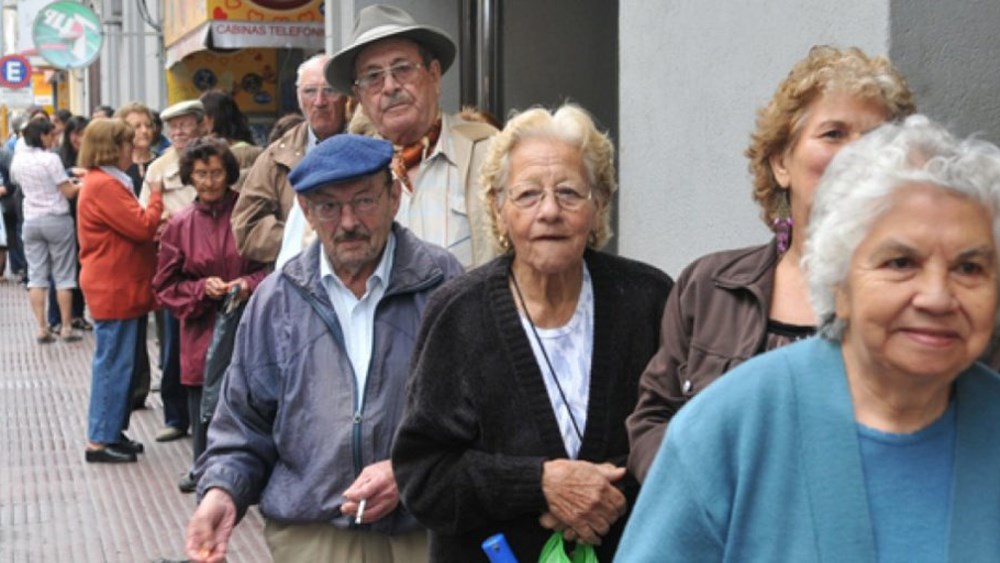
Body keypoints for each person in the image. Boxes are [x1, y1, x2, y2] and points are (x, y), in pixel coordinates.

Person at [616, 114, 1000, 561]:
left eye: (970, 268)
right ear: (839, 281)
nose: (937, 297)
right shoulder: (728, 430)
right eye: (900, 262)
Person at [391, 105, 673, 561]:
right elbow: (424, 476)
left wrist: (599, 494)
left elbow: (683, 444)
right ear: (498, 210)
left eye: (569, 192)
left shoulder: (647, 299)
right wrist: (540, 485)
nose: (549, 212)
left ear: (598, 203)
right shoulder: (458, 314)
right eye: (526, 195)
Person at [626, 45, 917, 481]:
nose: (856, 154)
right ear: (782, 162)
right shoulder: (708, 287)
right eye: (833, 133)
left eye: (875, 139)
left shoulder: (928, 299)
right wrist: (705, 493)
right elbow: (652, 423)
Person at [185, 134, 462, 563]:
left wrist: (409, 471)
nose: (348, 222)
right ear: (306, 212)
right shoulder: (276, 299)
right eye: (329, 206)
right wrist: (222, 491)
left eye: (364, 201)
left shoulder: (444, 283)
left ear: (394, 198)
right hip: (313, 537)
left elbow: (477, 416)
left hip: (421, 531)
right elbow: (243, 424)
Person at [324, 4, 498, 268]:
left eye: (403, 68)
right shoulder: (339, 174)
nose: (390, 86)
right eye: (373, 77)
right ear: (359, 98)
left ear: (434, 76)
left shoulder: (491, 156)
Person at [153, 137, 267, 493]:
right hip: (201, 329)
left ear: (229, 173)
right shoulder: (180, 224)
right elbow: (164, 285)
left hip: (250, 325)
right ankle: (204, 467)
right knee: (204, 404)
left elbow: (272, 265)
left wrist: (248, 283)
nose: (209, 181)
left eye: (216, 172)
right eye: (201, 174)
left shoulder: (247, 214)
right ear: (190, 176)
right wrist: (202, 289)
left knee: (252, 401)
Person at [77, 118, 164, 463]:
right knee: (113, 363)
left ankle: (112, 431)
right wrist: (156, 197)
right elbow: (142, 226)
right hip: (114, 285)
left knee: (120, 362)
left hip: (118, 283)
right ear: (113, 148)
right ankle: (99, 439)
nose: (134, 147)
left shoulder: (106, 181)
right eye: (128, 143)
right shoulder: (104, 185)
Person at [230, 54, 347, 264]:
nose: (320, 101)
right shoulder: (277, 156)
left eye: (330, 90)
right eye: (310, 91)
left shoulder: (370, 145)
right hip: (299, 282)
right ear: (299, 98)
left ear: (347, 95)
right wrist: (305, 241)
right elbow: (246, 227)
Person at [141, 99, 209, 443]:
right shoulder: (157, 168)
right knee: (171, 344)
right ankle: (176, 416)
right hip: (174, 262)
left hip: (212, 260)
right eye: (174, 126)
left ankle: (211, 416)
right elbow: (145, 215)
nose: (179, 132)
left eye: (186, 124)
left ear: (201, 125)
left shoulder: (214, 158)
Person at [10, 118, 81, 343]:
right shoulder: (51, 159)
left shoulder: (18, 161)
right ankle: (67, 327)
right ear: (42, 136)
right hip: (57, 220)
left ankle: (41, 328)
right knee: (63, 275)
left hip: (31, 221)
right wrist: (83, 184)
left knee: (37, 277)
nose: (55, 138)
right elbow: (68, 191)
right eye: (52, 134)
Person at [114, 102, 159, 410]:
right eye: (136, 126)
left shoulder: (162, 162)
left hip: (164, 251)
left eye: (147, 124)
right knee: (136, 322)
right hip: (134, 254)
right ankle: (136, 386)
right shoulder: (118, 171)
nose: (143, 131)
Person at [48, 114, 90, 334]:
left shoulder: (92, 157)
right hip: (65, 218)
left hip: (86, 218)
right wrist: (71, 174)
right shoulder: (58, 157)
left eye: (84, 134)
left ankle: (77, 314)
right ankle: (55, 317)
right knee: (62, 269)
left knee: (82, 267)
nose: (79, 139)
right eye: (76, 133)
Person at [198, 90, 263, 187]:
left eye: (201, 117)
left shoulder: (230, 154)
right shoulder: (254, 151)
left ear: (212, 119)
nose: (199, 123)